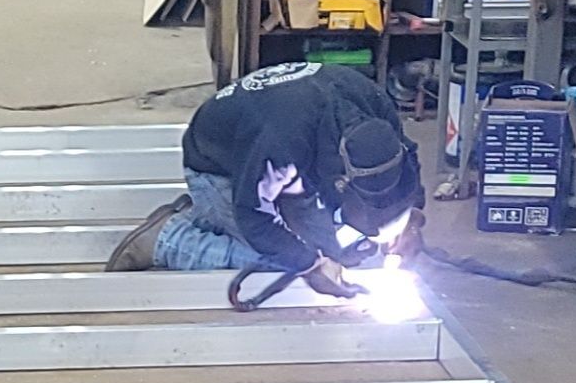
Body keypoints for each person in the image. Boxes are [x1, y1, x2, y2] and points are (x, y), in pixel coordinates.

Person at [108, 59, 424, 296]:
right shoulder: (281, 143)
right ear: (342, 176)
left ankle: (206, 216)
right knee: (288, 263)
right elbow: (254, 215)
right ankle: (169, 240)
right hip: (218, 170)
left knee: (342, 257)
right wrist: (310, 267)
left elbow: (410, 156)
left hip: (277, 167)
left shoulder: (373, 105)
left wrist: (412, 218)